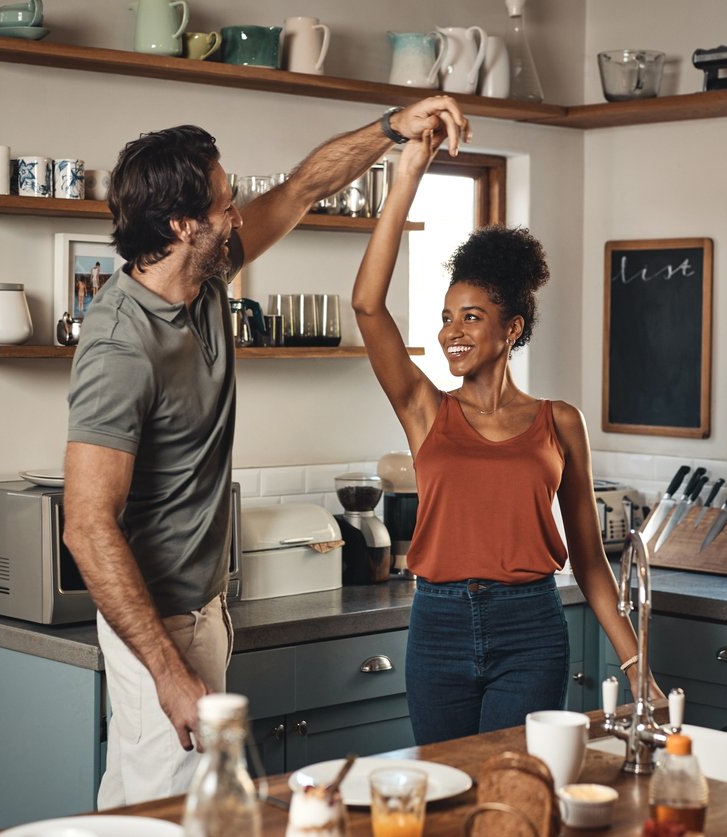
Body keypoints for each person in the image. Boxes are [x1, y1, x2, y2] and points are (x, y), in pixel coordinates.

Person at [62, 99, 471, 808]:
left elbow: (303, 187)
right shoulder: (120, 343)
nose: (239, 214)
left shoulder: (204, 280)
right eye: (225, 205)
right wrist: (168, 669)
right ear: (182, 225)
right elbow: (87, 522)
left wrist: (389, 131)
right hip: (160, 625)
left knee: (134, 809)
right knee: (187, 813)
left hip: (200, 612)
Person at [351, 132, 663, 745]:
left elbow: (592, 563)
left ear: (511, 328)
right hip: (436, 625)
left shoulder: (559, 422)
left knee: (511, 794)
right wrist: (408, 173)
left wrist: (636, 664)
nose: (451, 333)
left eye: (471, 317)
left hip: (531, 628)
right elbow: (367, 306)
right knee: (443, 791)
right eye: (445, 316)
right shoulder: (424, 410)